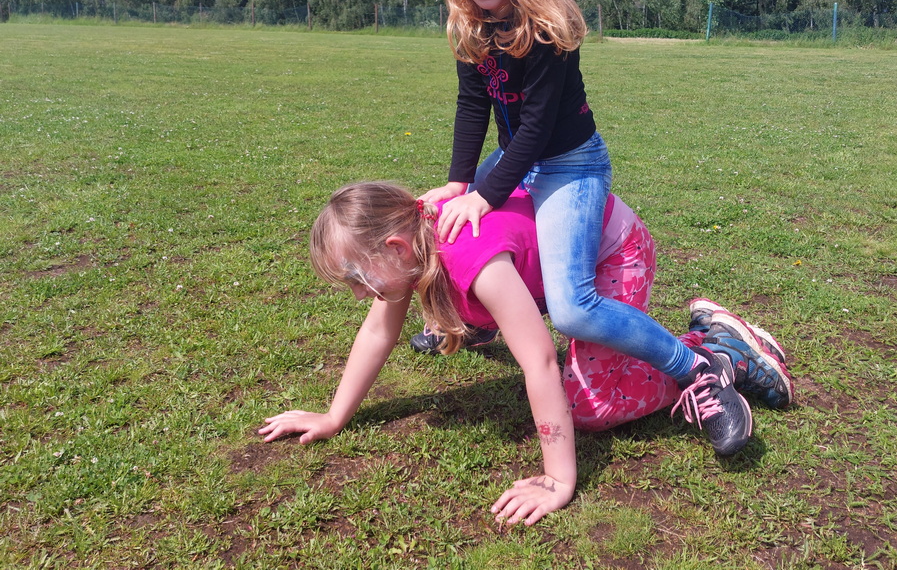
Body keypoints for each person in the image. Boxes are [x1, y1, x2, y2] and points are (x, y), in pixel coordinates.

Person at [418, 0, 749, 455]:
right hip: (518, 155)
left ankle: (699, 366)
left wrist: (486, 194)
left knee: (571, 309)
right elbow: (473, 106)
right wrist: (459, 183)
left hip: (569, 163)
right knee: (456, 224)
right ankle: (479, 321)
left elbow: (539, 129)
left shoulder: (546, 23)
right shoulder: (471, 21)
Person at [259, 182, 793, 527]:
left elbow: (538, 360)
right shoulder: (415, 240)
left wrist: (558, 479)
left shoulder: (470, 258)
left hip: (613, 254)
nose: (360, 295)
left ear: (396, 248)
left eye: (357, 279)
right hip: (549, 267)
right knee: (467, 313)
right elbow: (378, 331)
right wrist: (333, 416)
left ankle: (718, 350)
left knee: (592, 407)